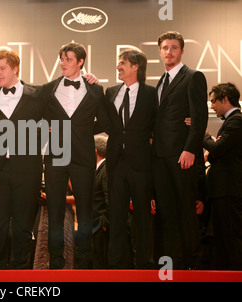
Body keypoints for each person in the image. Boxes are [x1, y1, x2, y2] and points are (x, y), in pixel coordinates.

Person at [42, 42, 106, 269]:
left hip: (83, 156)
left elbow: (106, 122)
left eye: (69, 59)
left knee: (86, 209)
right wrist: (45, 126)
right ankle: (56, 261)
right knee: (55, 209)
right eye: (62, 58)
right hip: (56, 156)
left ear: (80, 62)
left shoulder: (96, 90)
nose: (63, 63)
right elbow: (36, 118)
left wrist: (83, 128)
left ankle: (85, 260)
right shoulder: (47, 89)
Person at [0, 49, 45, 269]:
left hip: (27, 170)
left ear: (15, 68)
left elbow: (53, 122)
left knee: (22, 227)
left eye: (2, 68)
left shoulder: (38, 94)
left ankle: (20, 274)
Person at [152, 31, 208, 269]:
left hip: (182, 156)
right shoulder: (160, 82)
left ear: (182, 51)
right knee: (168, 214)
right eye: (165, 48)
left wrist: (190, 149)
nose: (169, 52)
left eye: (174, 48)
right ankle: (174, 264)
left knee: (186, 212)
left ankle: (193, 265)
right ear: (160, 52)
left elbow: (200, 117)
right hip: (160, 158)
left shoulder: (193, 77)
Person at [104, 49, 157, 269]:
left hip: (142, 164)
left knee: (143, 217)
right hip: (116, 163)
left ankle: (144, 263)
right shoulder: (110, 92)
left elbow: (158, 125)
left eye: (122, 63)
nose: (118, 67)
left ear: (136, 67)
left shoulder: (151, 94)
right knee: (116, 217)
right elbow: (105, 123)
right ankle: (116, 265)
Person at [202, 82, 242, 270]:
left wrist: (203, 135)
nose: (212, 106)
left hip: (228, 189)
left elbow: (217, 149)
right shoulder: (231, 122)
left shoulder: (236, 121)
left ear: (225, 99)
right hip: (222, 190)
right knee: (223, 239)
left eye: (213, 101)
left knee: (231, 238)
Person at [91, 134, 109, 269]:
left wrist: (104, 223)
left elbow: (110, 199)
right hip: (97, 225)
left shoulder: (106, 170)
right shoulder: (100, 169)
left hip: (102, 226)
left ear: (95, 151)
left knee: (101, 264)